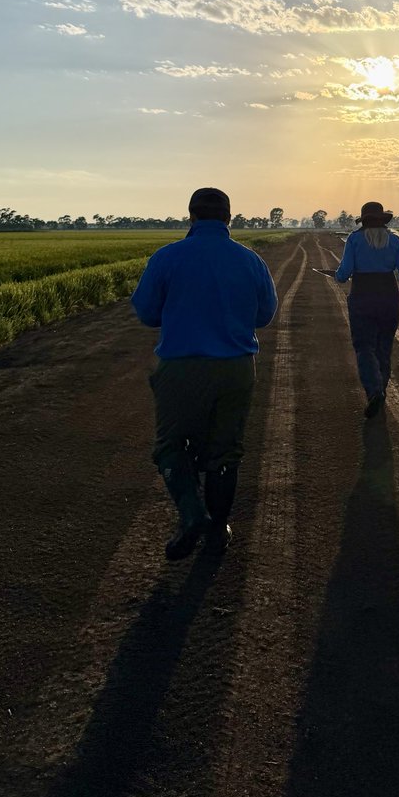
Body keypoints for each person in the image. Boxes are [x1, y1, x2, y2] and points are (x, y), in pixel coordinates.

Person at [131, 187, 278, 561]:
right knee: (225, 449)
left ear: (191, 217)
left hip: (181, 366)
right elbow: (264, 315)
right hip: (236, 367)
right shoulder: (250, 261)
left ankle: (192, 513)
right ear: (229, 218)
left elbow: (147, 313)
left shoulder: (167, 257)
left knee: (170, 445)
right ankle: (218, 527)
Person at [334, 201, 399, 418]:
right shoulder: (394, 240)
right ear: (383, 220)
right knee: (384, 347)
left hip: (363, 296)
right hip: (388, 297)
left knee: (364, 346)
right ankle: (381, 388)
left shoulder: (354, 239)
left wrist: (338, 275)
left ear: (364, 220)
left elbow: (343, 274)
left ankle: (374, 391)